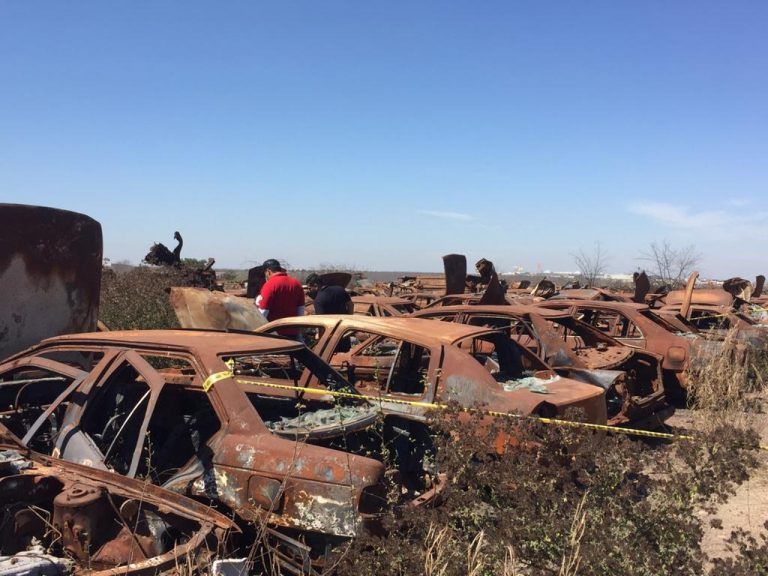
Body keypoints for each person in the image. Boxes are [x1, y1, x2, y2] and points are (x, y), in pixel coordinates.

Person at [257, 259, 305, 337]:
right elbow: (301, 310)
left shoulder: (270, 284)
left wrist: (257, 331)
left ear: (268, 271)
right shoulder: (296, 283)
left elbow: (263, 312)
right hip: (293, 332)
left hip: (274, 334)